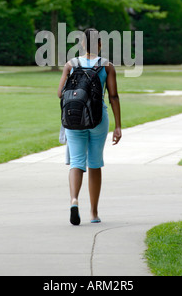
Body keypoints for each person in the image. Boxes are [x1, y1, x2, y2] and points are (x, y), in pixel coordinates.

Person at [58, 28, 122, 225]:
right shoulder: (106, 66)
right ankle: (93, 213)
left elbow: (60, 93)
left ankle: (74, 200)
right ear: (100, 44)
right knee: (94, 163)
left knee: (76, 161)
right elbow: (113, 96)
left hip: (73, 119)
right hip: (98, 119)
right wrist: (118, 126)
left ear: (83, 44)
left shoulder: (71, 64)